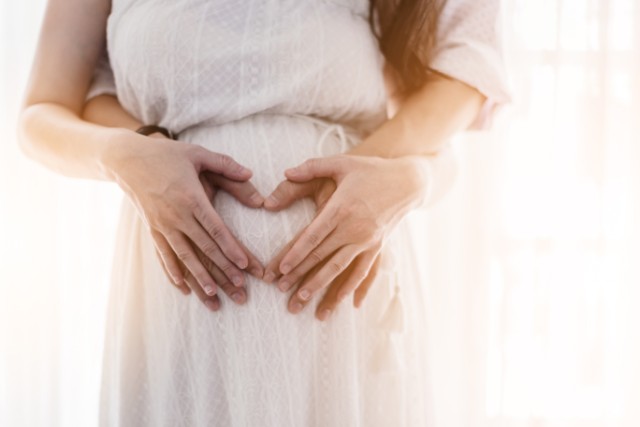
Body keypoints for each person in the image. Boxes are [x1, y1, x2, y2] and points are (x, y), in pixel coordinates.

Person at [18, 0, 510, 425]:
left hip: (340, 294)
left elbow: (468, 65)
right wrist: (124, 156)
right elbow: (41, 113)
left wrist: (391, 171)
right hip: (179, 300)